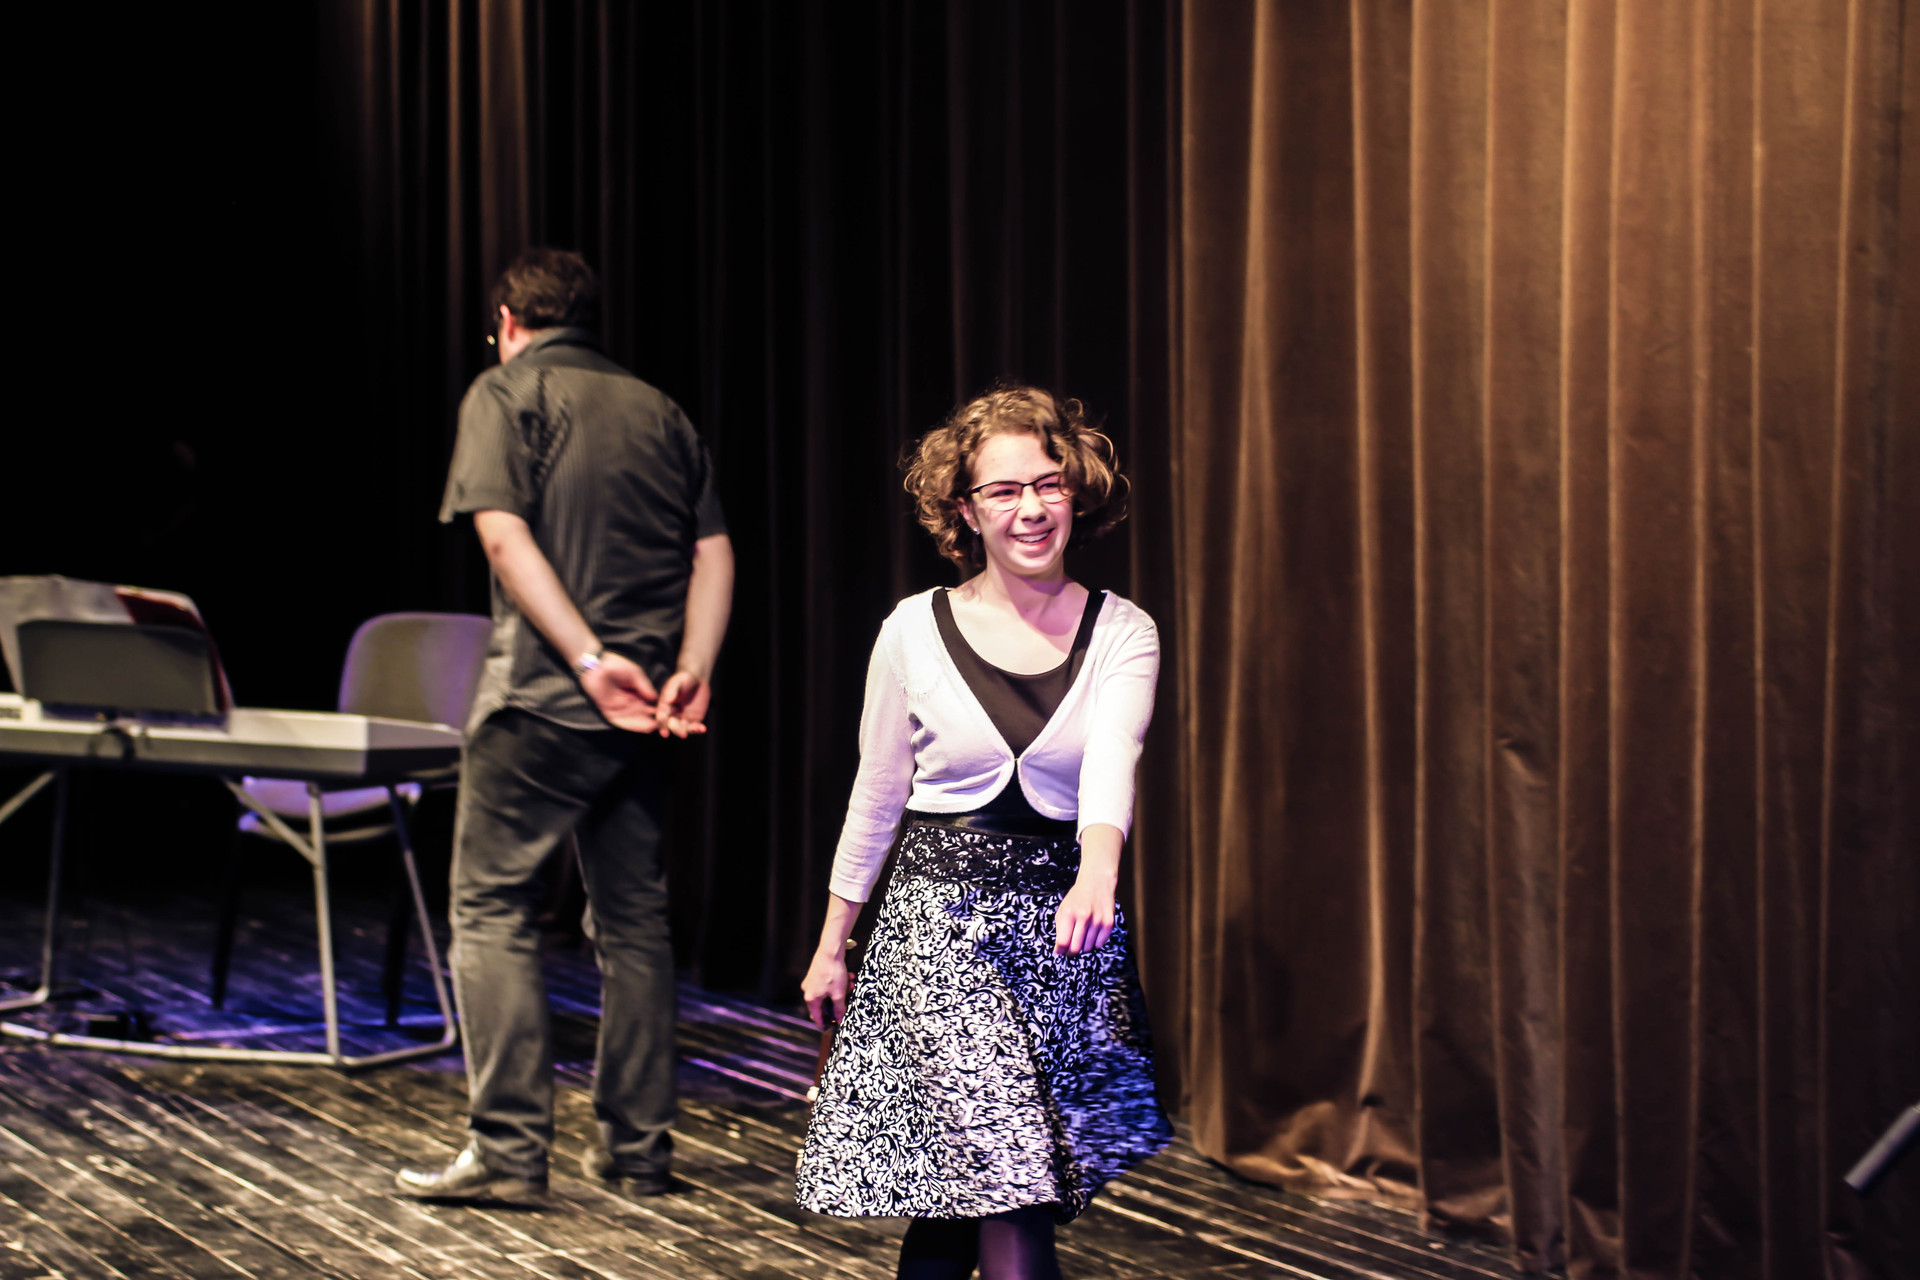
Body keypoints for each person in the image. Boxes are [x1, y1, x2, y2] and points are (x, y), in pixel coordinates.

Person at [795, 386, 1170, 1279]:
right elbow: (876, 794)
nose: (1031, 508)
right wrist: (832, 945)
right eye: (1003, 491)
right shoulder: (913, 630)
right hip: (938, 933)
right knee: (1011, 1184)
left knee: (965, 1200)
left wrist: (1097, 873)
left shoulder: (1123, 631)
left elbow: (1113, 761)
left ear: (1075, 492)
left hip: (1056, 935)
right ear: (965, 510)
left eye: (1048, 484)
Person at [396, 248, 733, 1203]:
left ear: (508, 322)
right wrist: (693, 669)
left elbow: (502, 536)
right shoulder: (660, 410)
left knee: (490, 907)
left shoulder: (505, 392)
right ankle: (638, 1151)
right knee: (634, 921)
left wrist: (588, 660)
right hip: (649, 708)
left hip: (547, 699)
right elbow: (714, 553)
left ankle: (507, 1153)